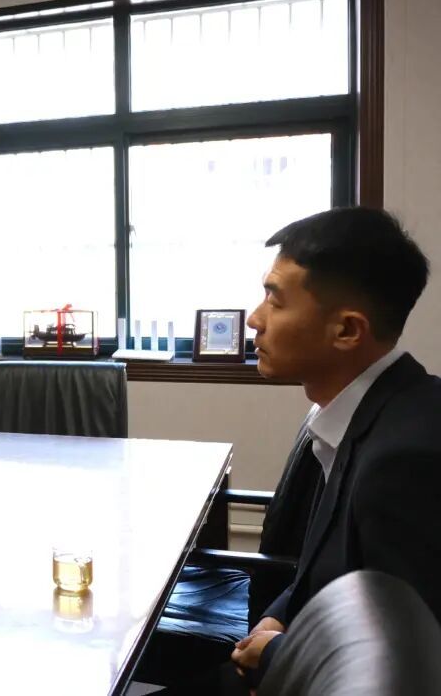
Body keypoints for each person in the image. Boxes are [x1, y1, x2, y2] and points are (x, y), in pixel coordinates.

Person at [163, 207, 441, 695]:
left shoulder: (405, 461)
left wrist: (277, 653)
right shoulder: (358, 412)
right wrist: (278, 617)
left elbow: (409, 665)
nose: (255, 319)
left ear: (347, 331)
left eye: (275, 300)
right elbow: (328, 572)